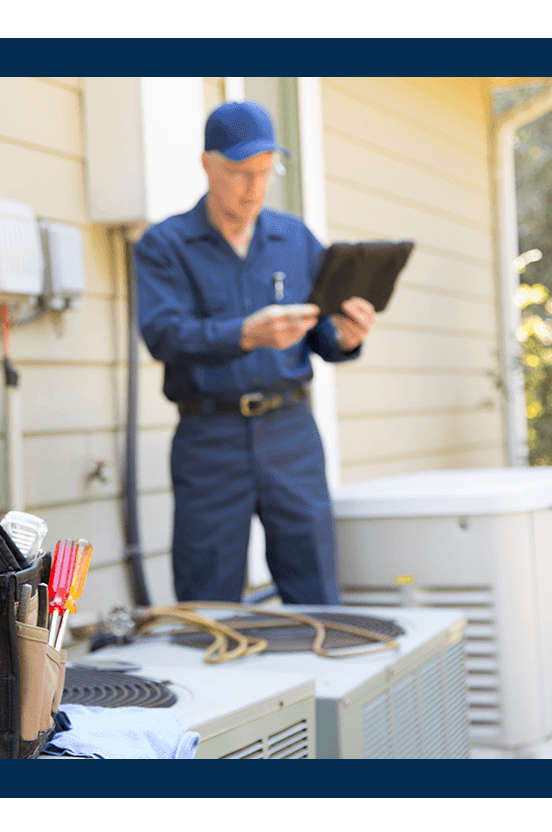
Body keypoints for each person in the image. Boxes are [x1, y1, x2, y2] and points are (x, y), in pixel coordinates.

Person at [134, 100, 376, 605]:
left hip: (291, 433)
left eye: (265, 173)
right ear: (208, 165)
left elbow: (324, 338)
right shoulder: (165, 245)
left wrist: (348, 336)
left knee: (315, 582)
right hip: (209, 438)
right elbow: (163, 334)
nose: (255, 188)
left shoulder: (296, 238)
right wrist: (244, 334)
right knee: (209, 595)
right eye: (242, 173)